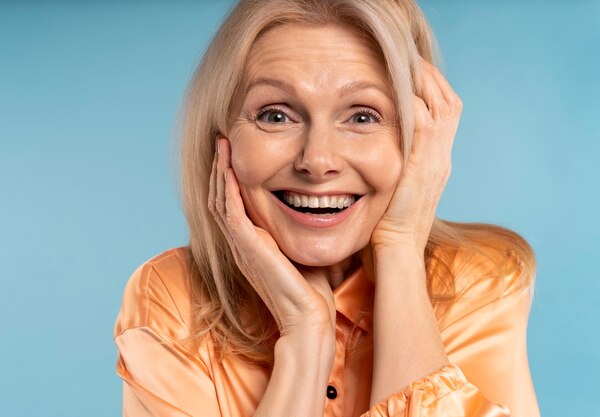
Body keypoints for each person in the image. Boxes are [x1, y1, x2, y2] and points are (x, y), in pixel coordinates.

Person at [113, 0, 541, 416]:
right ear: (221, 137)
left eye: (362, 117)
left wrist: (400, 248)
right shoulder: (171, 301)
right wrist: (305, 338)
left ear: (421, 137)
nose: (318, 161)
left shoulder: (481, 278)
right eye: (276, 116)